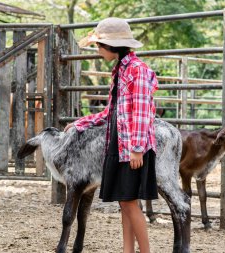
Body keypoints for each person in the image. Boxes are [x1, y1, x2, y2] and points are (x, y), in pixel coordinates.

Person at [64, 18, 158, 253]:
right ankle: (127, 251)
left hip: (132, 146)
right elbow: (111, 112)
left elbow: (143, 111)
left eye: (98, 46)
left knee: (129, 202)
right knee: (125, 201)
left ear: (110, 46)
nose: (97, 50)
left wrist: (137, 148)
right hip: (117, 142)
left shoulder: (138, 70)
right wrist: (81, 122)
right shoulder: (120, 69)